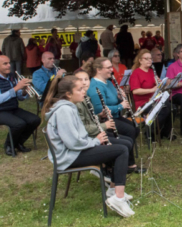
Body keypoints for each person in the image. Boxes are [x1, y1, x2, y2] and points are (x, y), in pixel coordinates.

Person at [42, 75, 134, 217]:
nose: (84, 91)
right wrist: (96, 141)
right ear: (68, 94)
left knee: (119, 147)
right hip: (69, 156)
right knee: (121, 150)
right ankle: (118, 198)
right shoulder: (64, 111)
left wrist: (98, 140)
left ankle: (113, 191)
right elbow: (73, 142)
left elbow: (79, 135)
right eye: (79, 89)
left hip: (75, 151)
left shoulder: (69, 107)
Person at [72, 70, 145, 174]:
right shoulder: (79, 101)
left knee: (131, 133)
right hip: (91, 136)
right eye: (80, 80)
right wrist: (105, 124)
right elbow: (84, 127)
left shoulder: (87, 97)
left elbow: (91, 118)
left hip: (98, 128)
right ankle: (116, 167)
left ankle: (114, 166)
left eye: (86, 79)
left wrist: (101, 115)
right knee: (127, 137)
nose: (84, 83)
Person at [0, 55, 40, 156]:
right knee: (19, 123)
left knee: (35, 120)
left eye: (9, 63)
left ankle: (18, 143)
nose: (9, 65)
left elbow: (20, 97)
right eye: (5, 64)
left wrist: (23, 91)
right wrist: (17, 87)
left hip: (12, 109)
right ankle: (9, 145)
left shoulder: (11, 77)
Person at [85, 57, 139, 145]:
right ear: (98, 70)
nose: (112, 69)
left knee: (135, 127)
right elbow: (99, 109)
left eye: (111, 67)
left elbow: (113, 100)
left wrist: (119, 98)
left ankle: (127, 151)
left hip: (115, 116)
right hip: (105, 120)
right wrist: (120, 106)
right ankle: (126, 154)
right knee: (130, 131)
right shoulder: (95, 86)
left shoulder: (108, 82)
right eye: (108, 68)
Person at [129, 50, 175, 141]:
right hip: (143, 103)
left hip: (154, 99)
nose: (149, 60)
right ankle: (151, 131)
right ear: (140, 60)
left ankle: (165, 132)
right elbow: (135, 91)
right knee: (165, 109)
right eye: (146, 59)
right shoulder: (136, 73)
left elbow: (157, 87)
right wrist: (151, 90)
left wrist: (162, 84)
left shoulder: (151, 71)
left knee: (172, 107)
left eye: (150, 58)